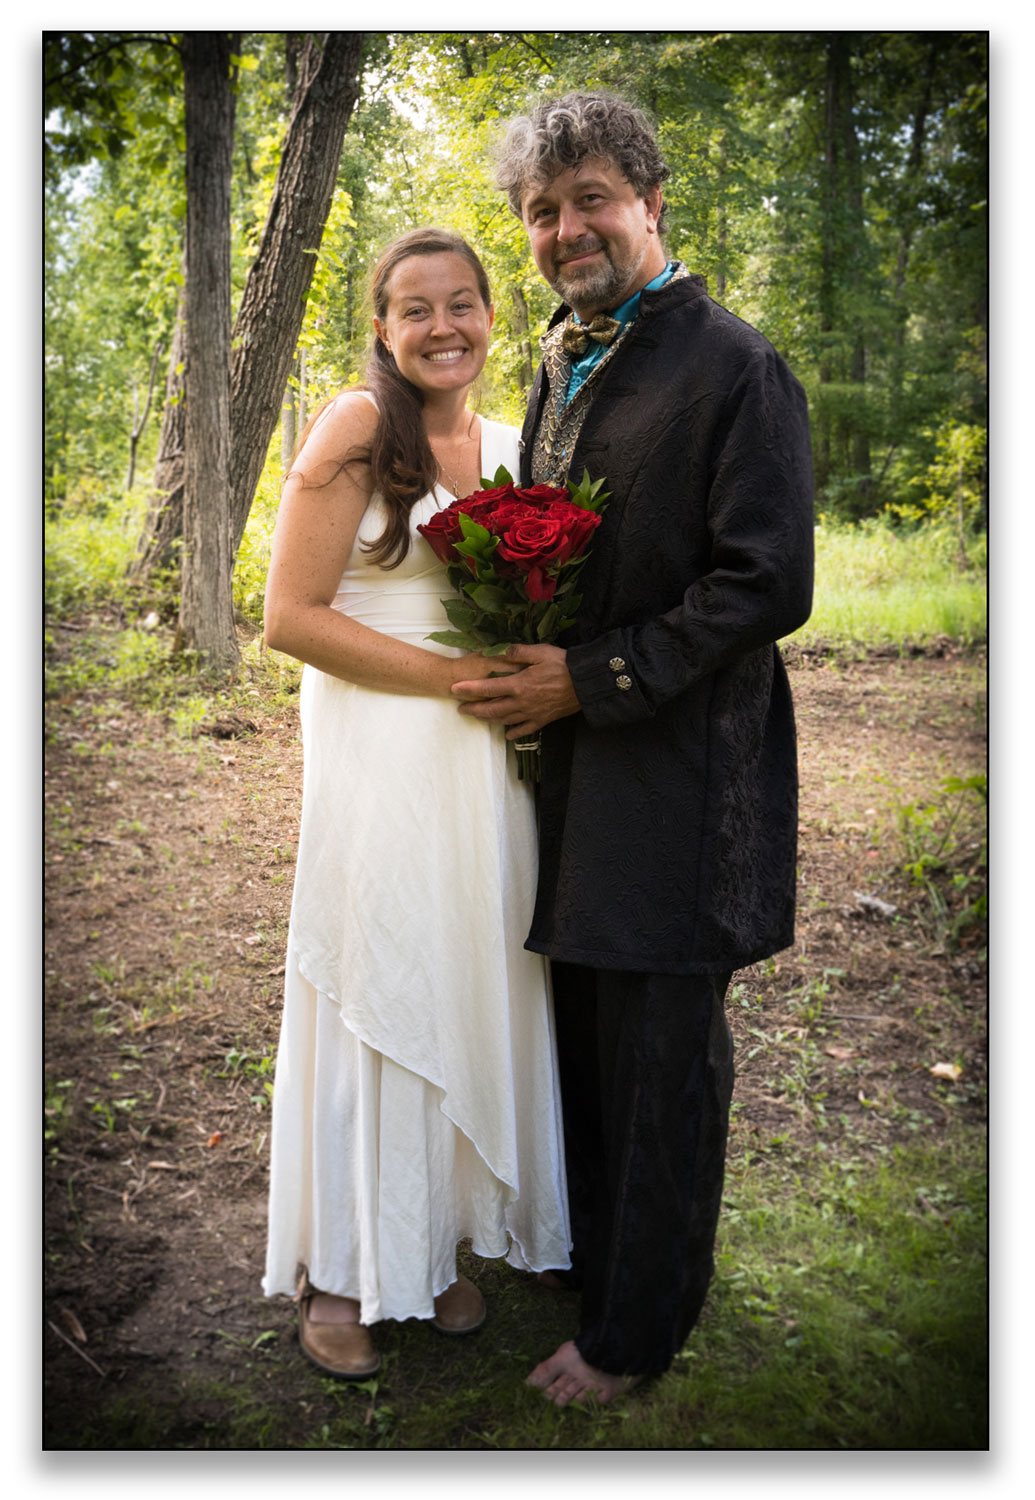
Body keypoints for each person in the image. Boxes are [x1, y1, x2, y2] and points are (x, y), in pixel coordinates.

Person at [452, 92, 815, 1406]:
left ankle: (635, 1333)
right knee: (582, 1043)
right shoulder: (559, 360)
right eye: (541, 212)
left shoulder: (729, 363)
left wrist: (592, 676)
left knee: (660, 1055)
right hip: (573, 774)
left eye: (590, 199)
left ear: (650, 203)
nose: (564, 229)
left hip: (680, 773)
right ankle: (593, 1265)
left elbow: (764, 582)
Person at [261, 227, 570, 1379]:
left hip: (482, 768)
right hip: (384, 749)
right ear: (383, 329)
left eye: (463, 304)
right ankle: (341, 1269)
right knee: (377, 982)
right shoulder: (357, 428)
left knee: (454, 980)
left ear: (494, 315)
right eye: (414, 309)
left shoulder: (510, 444)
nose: (443, 327)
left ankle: (428, 1245)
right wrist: (454, 678)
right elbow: (290, 617)